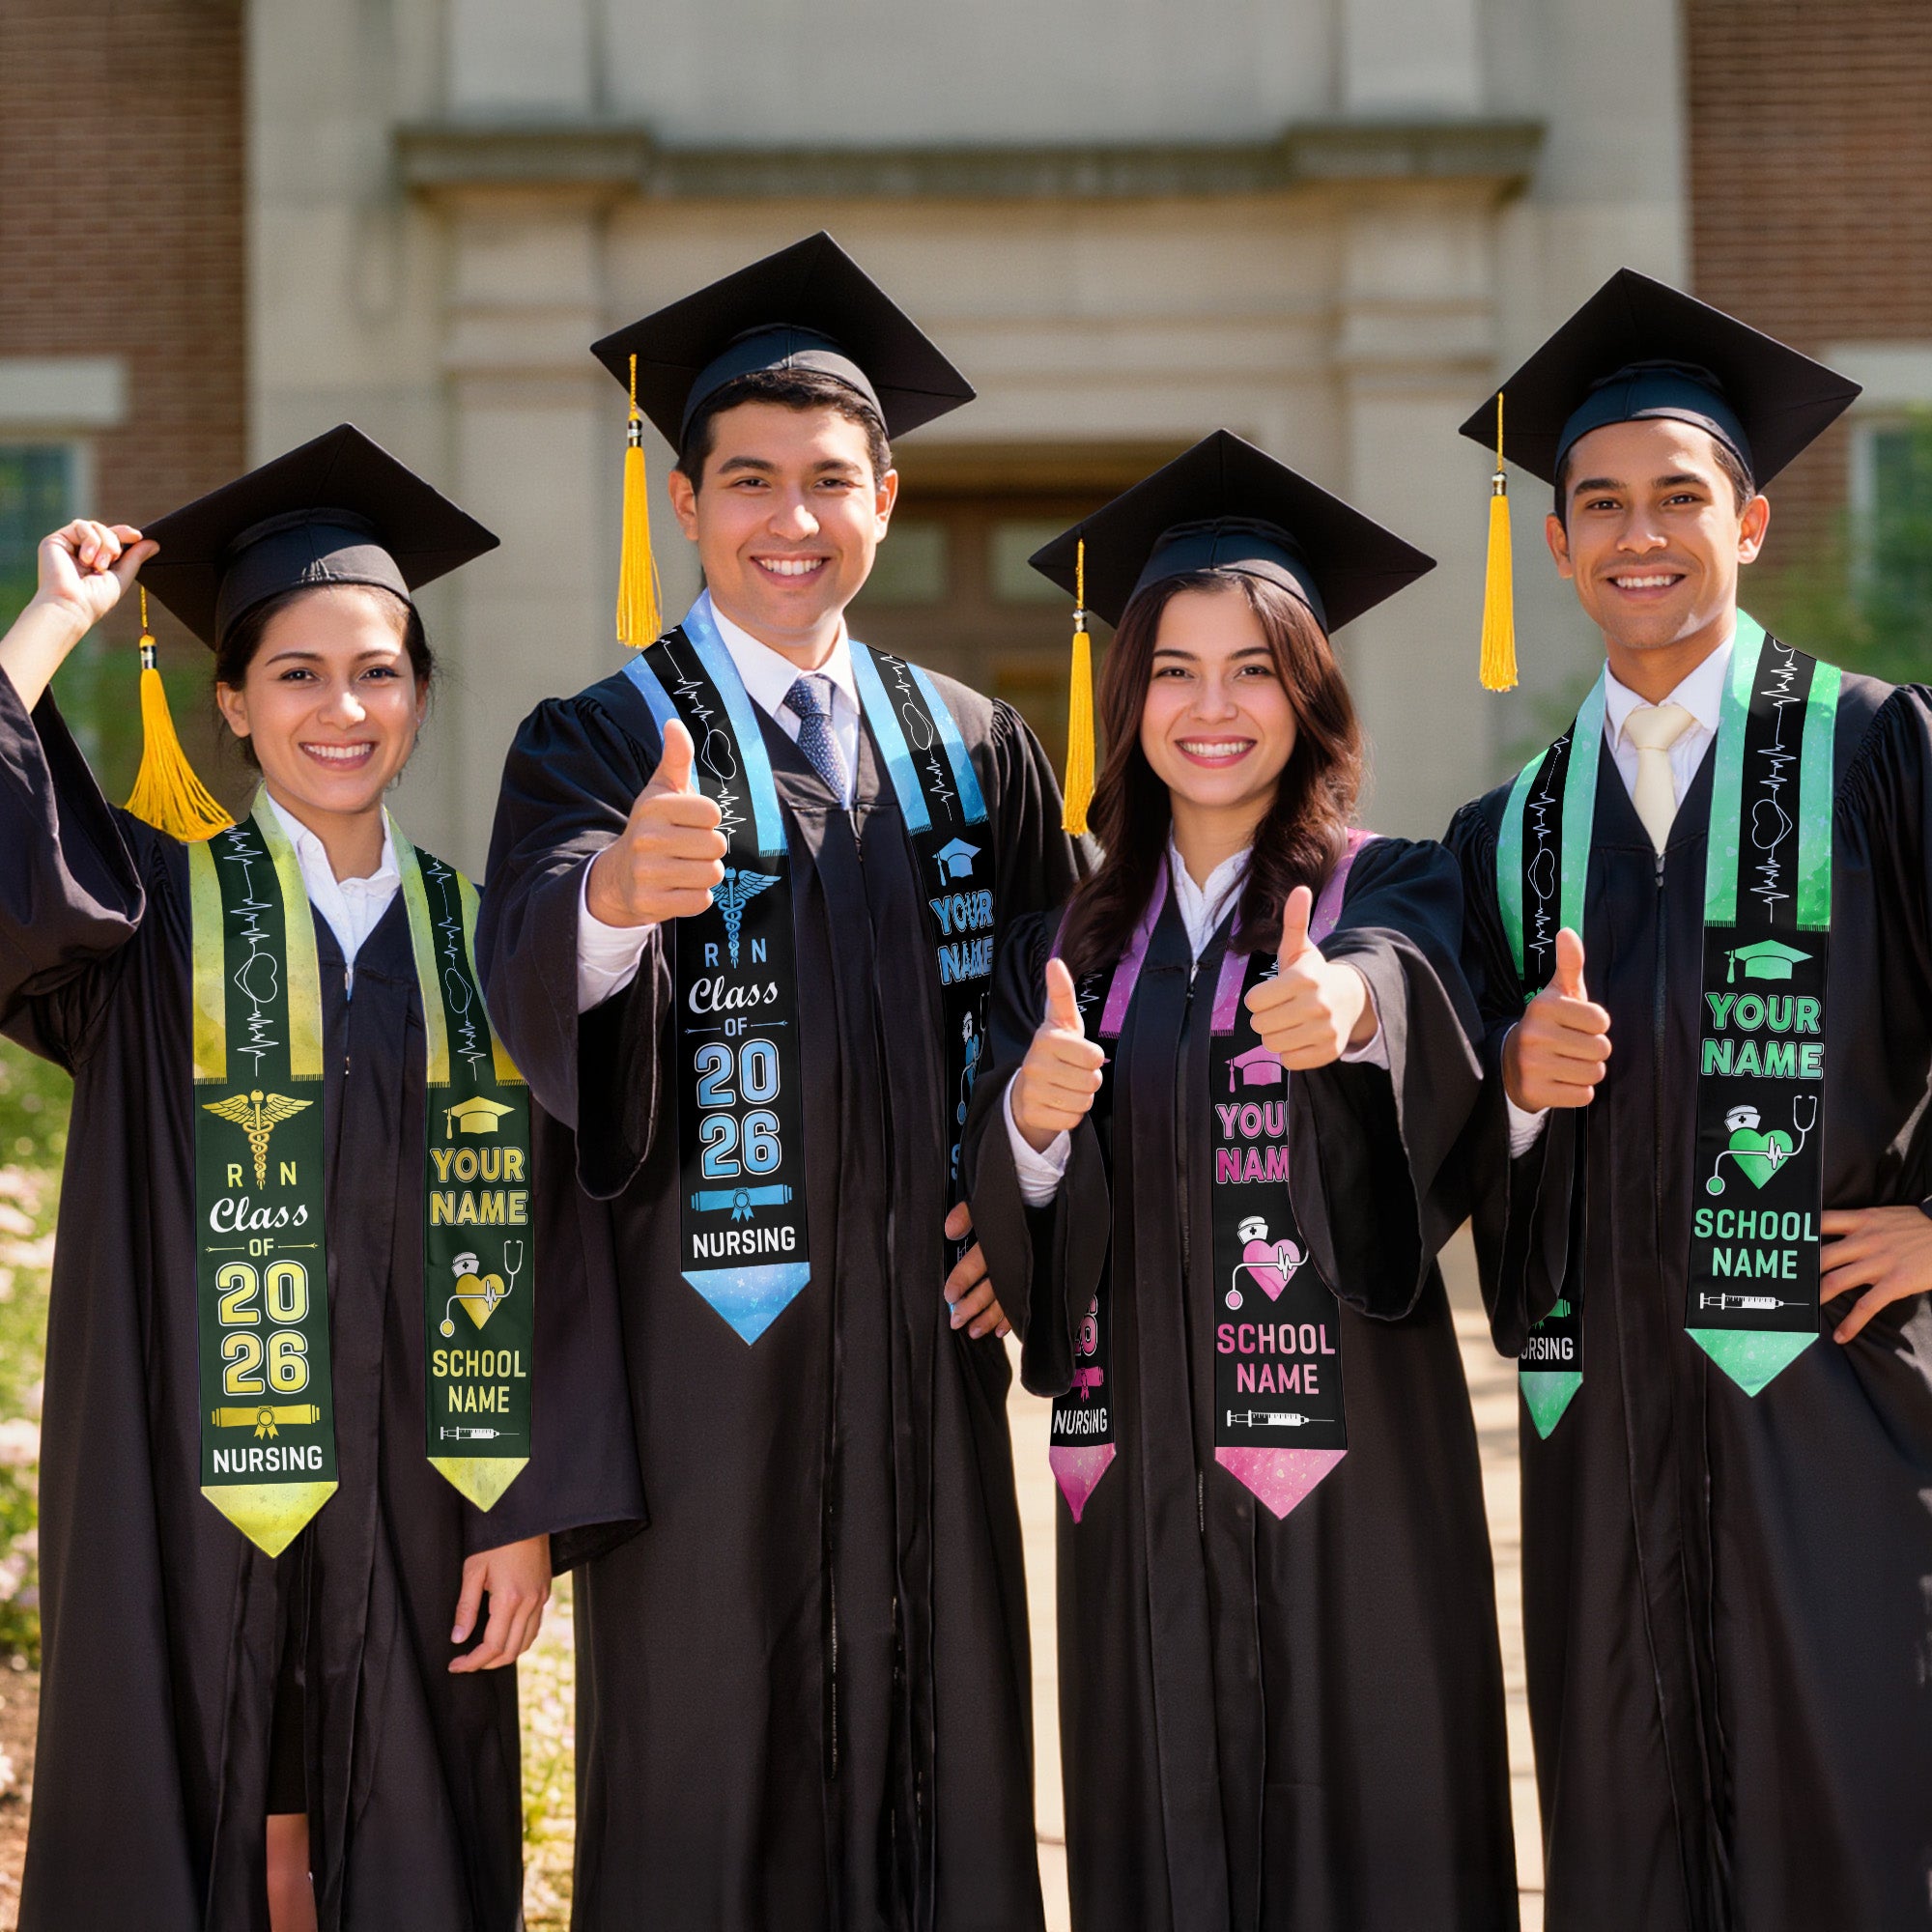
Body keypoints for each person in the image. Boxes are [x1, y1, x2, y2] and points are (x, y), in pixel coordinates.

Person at [477, 233, 1083, 1930]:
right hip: (704, 1360)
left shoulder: (972, 745)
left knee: (940, 1751)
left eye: (829, 480)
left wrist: (1022, 1212)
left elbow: (1063, 1004)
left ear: (886, 497)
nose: (790, 518)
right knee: (710, 1765)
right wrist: (613, 899)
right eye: (749, 481)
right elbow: (530, 961)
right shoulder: (600, 738)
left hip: (924, 1356)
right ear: (685, 503)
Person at [0, 425, 641, 1932]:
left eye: (378, 672)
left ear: (418, 694)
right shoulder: (148, 920)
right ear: (231, 701)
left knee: (404, 1834)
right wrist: (53, 622)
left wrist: (524, 1510)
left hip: (425, 1498)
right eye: (296, 673)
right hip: (180, 1484)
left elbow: (559, 1248)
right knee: (193, 1808)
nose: (341, 709)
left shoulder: (488, 943)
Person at [962, 431, 1517, 1930]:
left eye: (1254, 670)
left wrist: (1350, 1012)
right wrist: (1030, 1124)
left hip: (1351, 1480)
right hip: (1136, 1477)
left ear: (1310, 693)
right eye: (1175, 671)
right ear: (1126, 697)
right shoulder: (1063, 947)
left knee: (1372, 1830)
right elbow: (1012, 1215)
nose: (1213, 708)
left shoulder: (1390, 884)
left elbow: (1409, 988)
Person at [1446, 270, 1932, 1930]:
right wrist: (1512, 1088)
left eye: (1678, 497)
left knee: (1856, 1818)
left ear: (1752, 522)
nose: (1637, 534)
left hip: (1838, 1398)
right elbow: (1442, 1137)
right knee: (1626, 1830)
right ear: (1557, 542)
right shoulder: (1508, 834)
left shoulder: (1881, 755)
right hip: (1604, 1429)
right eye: (1599, 504)